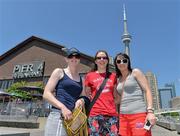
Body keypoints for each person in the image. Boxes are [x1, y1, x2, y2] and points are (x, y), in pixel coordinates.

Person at [43, 47, 89, 136]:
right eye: (71, 56)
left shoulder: (81, 79)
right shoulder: (59, 72)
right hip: (58, 116)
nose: (74, 58)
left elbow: (84, 96)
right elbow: (46, 93)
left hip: (73, 118)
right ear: (66, 59)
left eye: (77, 56)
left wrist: (81, 100)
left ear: (79, 59)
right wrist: (63, 108)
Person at [114, 52, 156, 136]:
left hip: (138, 115)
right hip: (123, 117)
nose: (121, 63)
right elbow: (118, 100)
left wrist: (150, 111)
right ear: (116, 64)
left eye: (124, 60)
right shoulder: (118, 79)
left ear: (128, 62)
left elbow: (147, 90)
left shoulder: (135, 72)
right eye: (119, 61)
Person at [84, 50, 119, 136]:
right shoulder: (89, 76)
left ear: (107, 60)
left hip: (111, 116)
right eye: (99, 58)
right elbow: (87, 94)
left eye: (104, 58)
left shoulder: (113, 76)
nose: (102, 59)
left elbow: (117, 97)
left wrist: (110, 104)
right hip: (95, 115)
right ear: (95, 61)